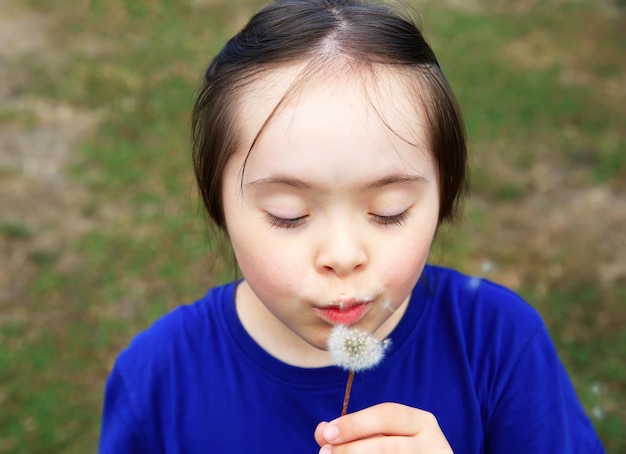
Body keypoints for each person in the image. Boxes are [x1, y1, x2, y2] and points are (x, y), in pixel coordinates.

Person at [99, 0, 605, 452]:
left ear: (442, 195)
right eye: (287, 214)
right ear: (219, 205)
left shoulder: (498, 344)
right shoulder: (158, 377)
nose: (343, 255)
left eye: (390, 210)